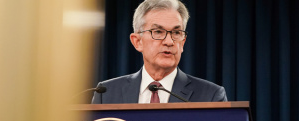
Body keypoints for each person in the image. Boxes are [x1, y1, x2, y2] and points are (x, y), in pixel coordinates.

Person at [92, 0, 227, 104]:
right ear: (137, 41)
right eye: (158, 32)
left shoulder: (211, 96)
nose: (169, 41)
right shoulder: (106, 93)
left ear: (183, 43)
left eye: (176, 33)